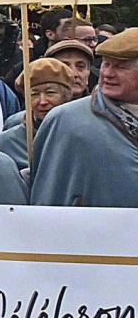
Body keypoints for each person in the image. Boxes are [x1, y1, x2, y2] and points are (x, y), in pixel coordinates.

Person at [29, 29, 138, 208]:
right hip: (90, 233)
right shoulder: (66, 120)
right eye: (106, 64)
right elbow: (48, 194)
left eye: (120, 66)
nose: (107, 74)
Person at [0, 58, 73, 169]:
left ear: (66, 96)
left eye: (50, 93)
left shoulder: (78, 137)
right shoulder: (5, 144)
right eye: (34, 94)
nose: (42, 102)